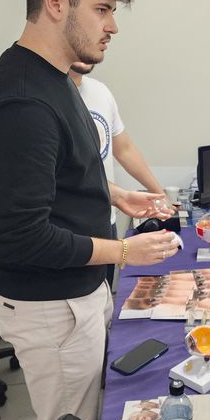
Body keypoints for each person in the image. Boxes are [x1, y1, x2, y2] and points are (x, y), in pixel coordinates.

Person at [0, 0, 178, 420]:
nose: (113, 26)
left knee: (90, 418)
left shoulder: (58, 80)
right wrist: (124, 252)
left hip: (74, 291)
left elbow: (60, 174)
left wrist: (115, 194)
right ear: (56, 3)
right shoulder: (22, 101)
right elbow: (21, 236)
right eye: (102, 9)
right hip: (49, 303)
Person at [69, 63, 166, 287]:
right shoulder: (47, 98)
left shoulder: (100, 92)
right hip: (70, 231)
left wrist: (159, 194)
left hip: (105, 221)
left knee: (103, 297)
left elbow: (125, 150)